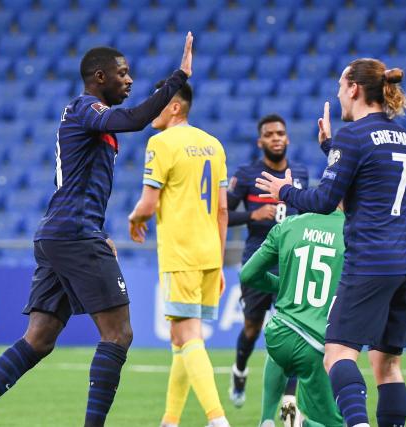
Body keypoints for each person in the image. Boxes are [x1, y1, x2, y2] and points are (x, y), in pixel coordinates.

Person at [0, 33, 194, 427]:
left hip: (65, 232)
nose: (129, 80)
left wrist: (98, 229)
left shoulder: (91, 118)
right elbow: (136, 120)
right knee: (118, 334)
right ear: (98, 76)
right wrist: (178, 78)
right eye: (121, 74)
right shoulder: (85, 108)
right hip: (73, 233)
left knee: (38, 338)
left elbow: (85, 180)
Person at [255, 58, 406, 427]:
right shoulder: (404, 137)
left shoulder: (354, 137)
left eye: (340, 87)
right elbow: (365, 184)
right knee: (388, 364)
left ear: (354, 89)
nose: (338, 95)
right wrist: (332, 149)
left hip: (370, 263)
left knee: (337, 355)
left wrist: (285, 189)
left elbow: (325, 202)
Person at [128, 80, 230, 427]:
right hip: (208, 254)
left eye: (158, 101)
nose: (151, 107)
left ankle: (218, 420)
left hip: (180, 253)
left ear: (174, 107)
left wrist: (135, 216)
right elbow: (222, 211)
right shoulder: (213, 145)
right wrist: (218, 265)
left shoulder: (160, 143)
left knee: (189, 336)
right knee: (180, 338)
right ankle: (169, 421)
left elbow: (149, 202)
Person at [226, 114, 309, 424]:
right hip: (258, 262)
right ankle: (239, 370)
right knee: (252, 327)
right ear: (260, 141)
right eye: (269, 134)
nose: (276, 137)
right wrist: (253, 214)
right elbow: (223, 215)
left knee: (293, 329)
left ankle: (289, 400)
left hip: (291, 263)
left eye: (280, 133)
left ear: (287, 138)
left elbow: (307, 210)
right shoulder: (247, 175)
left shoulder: (299, 172)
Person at [240, 207, 346, 427]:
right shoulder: (352, 231)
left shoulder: (289, 224)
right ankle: (300, 423)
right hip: (316, 346)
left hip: (279, 334)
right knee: (335, 424)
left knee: (281, 350)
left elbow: (248, 274)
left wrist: (284, 286)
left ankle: (267, 419)